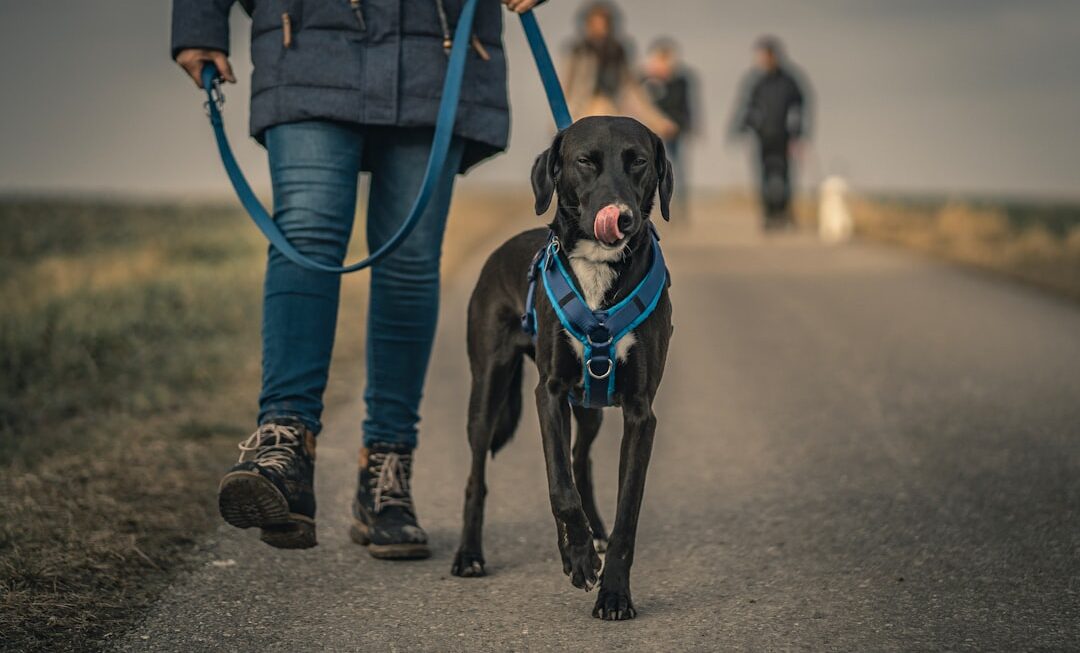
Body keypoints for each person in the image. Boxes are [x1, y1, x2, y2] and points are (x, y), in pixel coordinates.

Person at [171, 0, 542, 559]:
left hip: (433, 47)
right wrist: (199, 22)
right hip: (307, 37)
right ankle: (284, 447)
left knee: (412, 259)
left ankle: (387, 471)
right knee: (305, 232)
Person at [561, 2, 676, 141]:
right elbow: (565, 87)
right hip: (581, 114)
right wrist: (561, 122)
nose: (599, 30)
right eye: (595, 24)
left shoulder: (617, 52)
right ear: (587, 25)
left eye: (603, 24)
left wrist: (658, 122)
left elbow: (633, 91)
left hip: (611, 112)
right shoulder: (578, 52)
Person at [730, 35, 811, 230]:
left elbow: (800, 106)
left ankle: (784, 213)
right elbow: (748, 106)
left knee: (784, 177)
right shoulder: (756, 80)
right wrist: (741, 127)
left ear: (773, 56)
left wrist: (799, 134)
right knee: (764, 177)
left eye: (763, 56)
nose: (760, 60)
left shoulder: (789, 80)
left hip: (784, 138)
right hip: (762, 137)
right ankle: (768, 215)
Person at [640, 37, 697, 215]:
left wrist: (686, 126)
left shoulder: (681, 81)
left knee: (676, 169)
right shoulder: (643, 79)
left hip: (674, 132)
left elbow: (687, 106)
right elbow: (638, 105)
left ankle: (678, 208)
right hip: (648, 133)